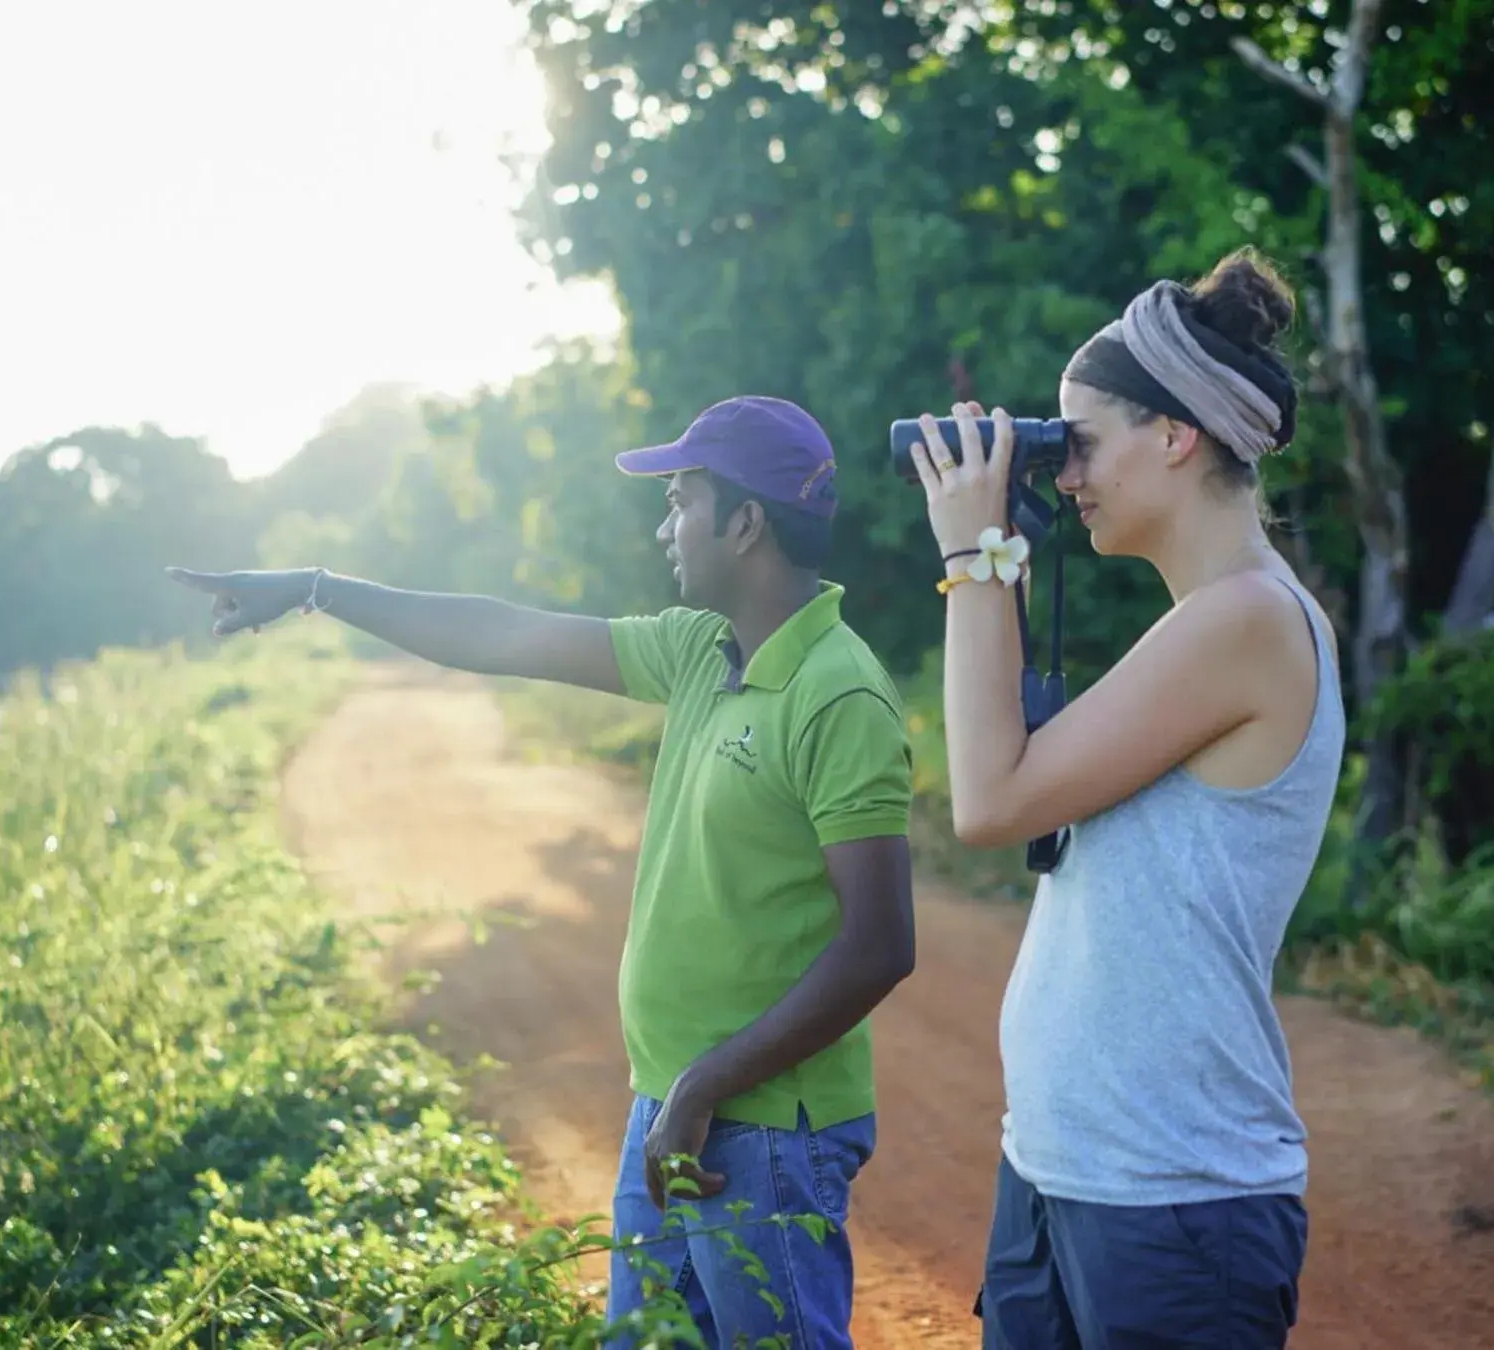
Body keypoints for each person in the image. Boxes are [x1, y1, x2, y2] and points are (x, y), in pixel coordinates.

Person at [168, 395, 917, 1350]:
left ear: (744, 522)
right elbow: (502, 634)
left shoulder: (838, 691)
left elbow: (879, 947)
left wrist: (703, 1088)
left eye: (680, 501)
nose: (663, 526)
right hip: (674, 1107)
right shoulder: (701, 651)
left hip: (763, 1130)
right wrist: (317, 587)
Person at [904, 247, 1340, 1348]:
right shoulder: (1205, 622)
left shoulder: (1243, 621)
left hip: (1171, 1202)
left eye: (1079, 440)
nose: (1062, 475)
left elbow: (989, 799)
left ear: (1175, 435)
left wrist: (975, 558)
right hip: (1071, 1175)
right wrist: (988, 561)